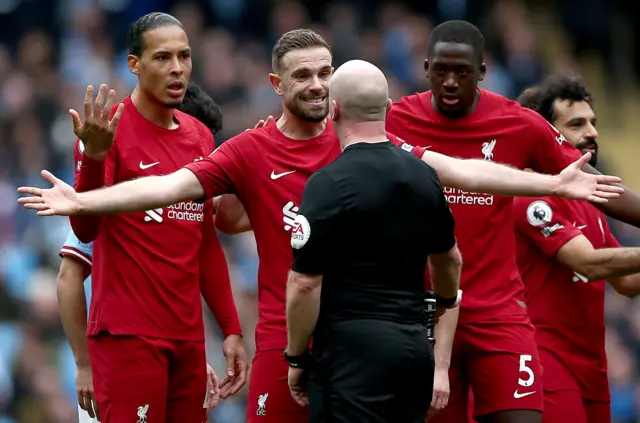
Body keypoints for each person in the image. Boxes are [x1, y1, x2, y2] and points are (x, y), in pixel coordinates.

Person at [17, 29, 622, 423]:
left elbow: (457, 170)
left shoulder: (360, 142)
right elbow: (172, 189)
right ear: (278, 85)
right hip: (285, 344)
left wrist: (552, 182)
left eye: (324, 72)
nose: (316, 84)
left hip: (360, 345)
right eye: (302, 75)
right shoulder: (248, 151)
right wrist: (85, 200)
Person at [384, 20, 640, 423]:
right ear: (426, 68)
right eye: (441, 71)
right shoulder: (393, 121)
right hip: (425, 316)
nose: (450, 82)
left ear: (483, 72)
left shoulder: (518, 124)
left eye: (463, 72)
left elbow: (598, 187)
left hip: (498, 315)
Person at [50, 13, 248, 423]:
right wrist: (94, 157)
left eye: (184, 56)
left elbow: (205, 241)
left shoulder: (200, 137)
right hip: (127, 336)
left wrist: (230, 328)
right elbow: (84, 227)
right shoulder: (107, 130)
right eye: (162, 58)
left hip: (189, 339)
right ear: (134, 65)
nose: (177, 68)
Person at [283, 59, 462, 423]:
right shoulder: (425, 176)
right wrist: (443, 301)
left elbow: (304, 283)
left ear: (333, 109)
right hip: (412, 350)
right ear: (389, 108)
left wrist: (298, 357)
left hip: (351, 355)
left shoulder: (327, 184)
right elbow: (449, 260)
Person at [512, 73, 640, 423]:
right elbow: (590, 264)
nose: (592, 132)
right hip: (548, 362)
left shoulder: (591, 203)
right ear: (545, 134)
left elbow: (626, 283)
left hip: (593, 365)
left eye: (594, 122)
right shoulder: (531, 197)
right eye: (577, 123)